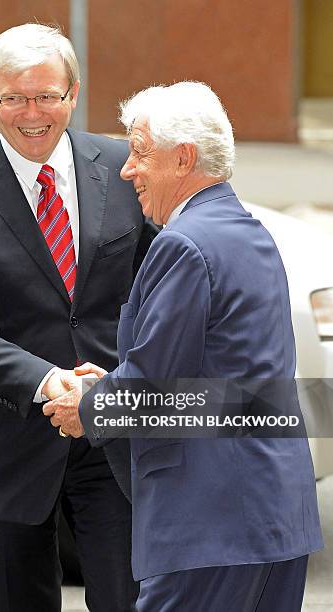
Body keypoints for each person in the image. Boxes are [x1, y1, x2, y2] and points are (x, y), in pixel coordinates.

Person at [44, 82, 324, 611]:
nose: (128, 170)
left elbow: (152, 386)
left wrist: (86, 406)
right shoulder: (248, 230)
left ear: (184, 159)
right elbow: (219, 381)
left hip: (209, 522)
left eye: (140, 152)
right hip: (271, 517)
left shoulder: (184, 244)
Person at [0, 23, 158, 612]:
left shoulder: (126, 167)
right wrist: (49, 381)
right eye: (14, 97)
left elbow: (162, 286)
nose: (33, 112)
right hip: (8, 435)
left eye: (48, 95)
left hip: (113, 434)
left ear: (73, 94)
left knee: (129, 600)